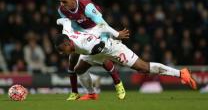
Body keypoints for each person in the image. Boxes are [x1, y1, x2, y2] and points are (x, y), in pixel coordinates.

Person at [54, 18, 197, 94]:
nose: (62, 53)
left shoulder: (84, 44)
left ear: (67, 43)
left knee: (143, 67)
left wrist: (116, 34)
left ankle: (181, 73)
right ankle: (91, 94)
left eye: (62, 50)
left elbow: (102, 28)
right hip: (93, 52)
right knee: (79, 69)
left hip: (111, 48)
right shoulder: (67, 32)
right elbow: (64, 20)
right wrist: (59, 18)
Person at [57, 0, 129, 100]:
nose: (62, 4)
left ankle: (118, 84)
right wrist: (75, 36)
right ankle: (75, 93)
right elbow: (69, 23)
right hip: (81, 32)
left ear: (73, 0)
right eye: (60, 1)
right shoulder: (62, 10)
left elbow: (102, 24)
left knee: (101, 57)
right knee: (72, 63)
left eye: (64, 1)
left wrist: (104, 40)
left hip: (96, 28)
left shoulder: (86, 6)